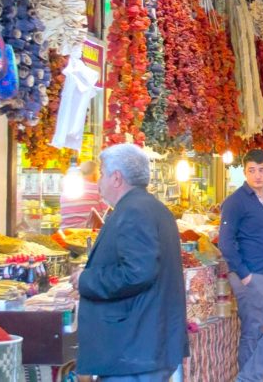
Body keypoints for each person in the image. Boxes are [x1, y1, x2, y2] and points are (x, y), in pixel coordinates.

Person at [73, 144, 187, 381]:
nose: (99, 181)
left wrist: (85, 279)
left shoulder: (134, 211)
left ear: (116, 178)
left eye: (102, 174)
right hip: (144, 347)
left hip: (134, 350)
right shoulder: (152, 208)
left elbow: (137, 273)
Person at [218, 150, 263, 381]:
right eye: (252, 170)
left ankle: (246, 377)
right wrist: (244, 274)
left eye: (262, 170)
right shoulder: (235, 202)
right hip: (251, 276)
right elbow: (225, 242)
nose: (257, 175)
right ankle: (250, 378)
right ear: (244, 172)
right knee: (251, 332)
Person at [60, 160, 108, 229]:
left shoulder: (67, 189)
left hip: (64, 233)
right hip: (87, 234)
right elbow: (107, 215)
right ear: (95, 174)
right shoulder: (97, 189)